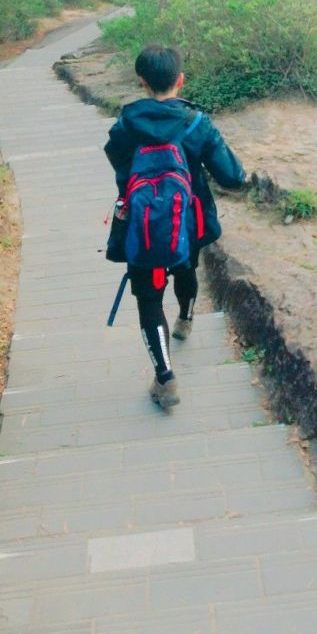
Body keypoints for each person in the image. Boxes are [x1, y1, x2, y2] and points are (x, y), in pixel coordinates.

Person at [104, 45, 245, 409]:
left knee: (149, 298)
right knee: (186, 266)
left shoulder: (125, 126)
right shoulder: (197, 124)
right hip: (189, 221)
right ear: (180, 80)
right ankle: (185, 317)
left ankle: (165, 378)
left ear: (142, 82)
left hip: (142, 226)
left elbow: (119, 165)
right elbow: (231, 176)